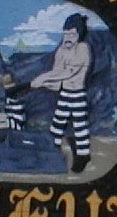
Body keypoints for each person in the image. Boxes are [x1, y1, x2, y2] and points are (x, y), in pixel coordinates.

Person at [31, 13, 93, 173]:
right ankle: (51, 151)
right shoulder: (61, 50)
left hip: (77, 93)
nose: (68, 37)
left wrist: (43, 78)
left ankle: (84, 155)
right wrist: (43, 83)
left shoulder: (82, 48)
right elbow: (57, 74)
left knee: (80, 126)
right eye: (66, 33)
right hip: (65, 93)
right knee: (58, 124)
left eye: (72, 34)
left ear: (79, 34)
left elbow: (68, 72)